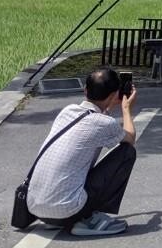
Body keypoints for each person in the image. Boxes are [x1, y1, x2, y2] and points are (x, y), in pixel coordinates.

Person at [26, 67, 138, 236]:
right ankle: (90, 219)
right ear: (114, 95)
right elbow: (129, 138)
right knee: (127, 153)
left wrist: (109, 103)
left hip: (35, 209)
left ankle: (61, 219)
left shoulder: (68, 111)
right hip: (68, 211)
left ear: (85, 90)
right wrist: (126, 109)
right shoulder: (105, 124)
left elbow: (96, 119)